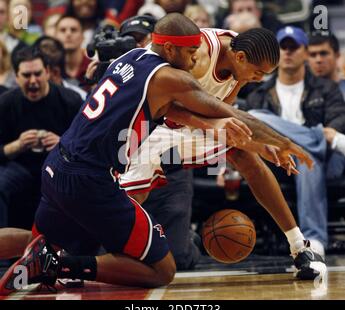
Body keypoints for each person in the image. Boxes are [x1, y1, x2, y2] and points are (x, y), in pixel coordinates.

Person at [0, 14, 322, 295]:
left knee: (41, 238)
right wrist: (282, 142)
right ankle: (69, 263)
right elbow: (213, 114)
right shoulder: (179, 71)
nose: (195, 59)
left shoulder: (142, 57)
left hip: (60, 164)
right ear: (172, 49)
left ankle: (298, 245)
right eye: (190, 52)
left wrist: (245, 138)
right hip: (119, 157)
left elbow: (195, 113)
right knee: (159, 265)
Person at [244, 26, 345, 257]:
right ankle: (311, 141)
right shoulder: (258, 93)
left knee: (307, 161)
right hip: (275, 161)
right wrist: (318, 136)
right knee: (256, 118)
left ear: (305, 53)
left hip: (321, 162)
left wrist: (310, 146)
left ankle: (314, 243)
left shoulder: (326, 88)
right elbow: (249, 134)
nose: (287, 52)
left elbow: (338, 121)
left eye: (294, 47)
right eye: (283, 47)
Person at [0, 46, 82, 231]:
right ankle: (3, 255)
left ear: (47, 72)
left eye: (37, 74)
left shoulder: (69, 99)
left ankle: (74, 252)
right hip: (20, 166)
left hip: (59, 167)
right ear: (16, 76)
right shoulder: (6, 103)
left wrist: (61, 144)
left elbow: (86, 146)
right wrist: (17, 145)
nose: (33, 81)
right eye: (26, 75)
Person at [308, 31, 345, 100]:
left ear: (337, 55)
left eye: (323, 53)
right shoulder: (302, 93)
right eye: (313, 55)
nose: (318, 60)